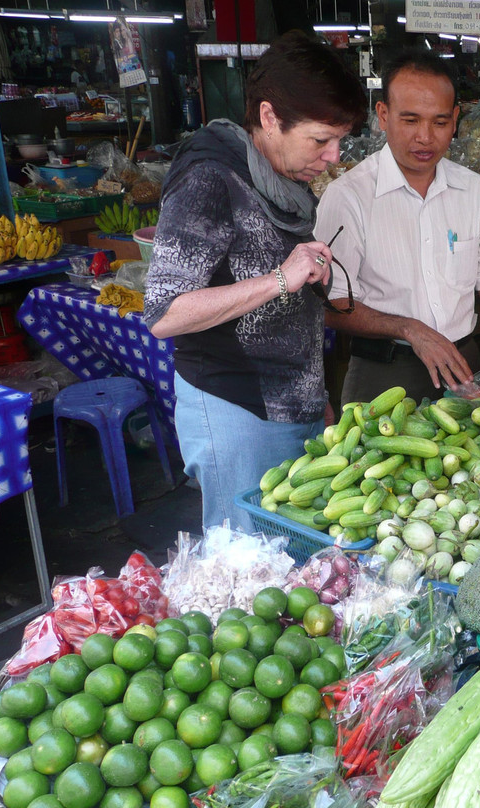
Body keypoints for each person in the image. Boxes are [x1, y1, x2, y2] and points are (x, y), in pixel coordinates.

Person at [142, 30, 367, 531]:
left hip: (294, 405)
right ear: (269, 117)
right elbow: (163, 313)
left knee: (289, 568)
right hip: (235, 410)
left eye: (340, 140)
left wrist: (316, 395)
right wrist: (280, 279)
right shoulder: (209, 176)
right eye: (321, 140)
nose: (333, 157)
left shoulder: (280, 179)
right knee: (246, 574)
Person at [314, 49, 480, 405]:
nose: (425, 138)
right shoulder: (348, 196)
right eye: (410, 120)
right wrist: (410, 329)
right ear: (383, 116)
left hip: (464, 366)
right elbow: (333, 304)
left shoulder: (473, 190)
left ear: (456, 119)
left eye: (440, 122)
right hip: (385, 373)